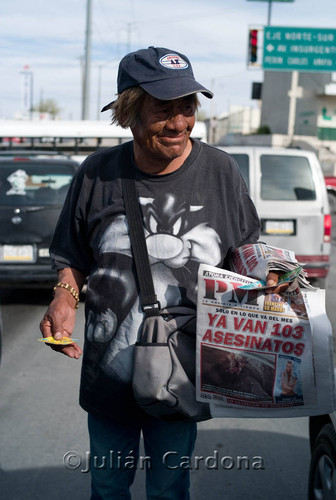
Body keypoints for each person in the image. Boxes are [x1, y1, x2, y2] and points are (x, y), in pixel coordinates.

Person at [40, 46, 283, 500]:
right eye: (163, 110)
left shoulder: (221, 171)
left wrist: (273, 279)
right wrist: (62, 297)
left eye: (187, 108)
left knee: (170, 489)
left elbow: (247, 249)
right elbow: (70, 256)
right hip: (109, 376)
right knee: (108, 488)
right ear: (130, 112)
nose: (179, 123)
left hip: (183, 374)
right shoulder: (97, 174)